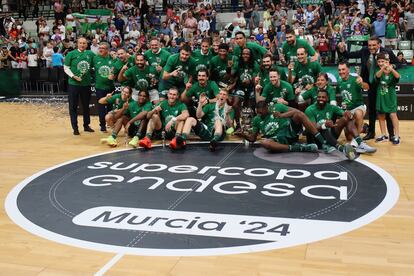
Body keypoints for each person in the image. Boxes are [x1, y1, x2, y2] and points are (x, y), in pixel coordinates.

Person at [338, 36, 400, 140]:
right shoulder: (364, 51)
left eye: (374, 45)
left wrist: (391, 67)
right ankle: (371, 132)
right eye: (369, 45)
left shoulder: (387, 51)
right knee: (372, 109)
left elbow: (399, 63)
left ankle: (392, 134)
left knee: (388, 110)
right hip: (370, 84)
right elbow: (348, 55)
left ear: (379, 44)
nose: (371, 47)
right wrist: (342, 50)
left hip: (384, 84)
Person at [238, 101, 335, 153]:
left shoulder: (278, 107)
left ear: (267, 108)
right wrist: (243, 135)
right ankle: (299, 148)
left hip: (289, 131)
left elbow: (297, 112)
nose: (259, 114)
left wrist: (281, 115)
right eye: (258, 112)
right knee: (265, 143)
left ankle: (324, 143)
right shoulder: (256, 119)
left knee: (299, 115)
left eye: (261, 112)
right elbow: (253, 138)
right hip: (277, 140)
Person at [305, 90, 375, 157]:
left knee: (346, 118)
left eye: (323, 97)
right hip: (316, 139)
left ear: (327, 98)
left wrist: (348, 113)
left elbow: (345, 114)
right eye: (319, 97)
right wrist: (324, 125)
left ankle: (359, 143)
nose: (321, 99)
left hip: (330, 136)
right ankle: (341, 148)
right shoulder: (310, 109)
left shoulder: (331, 107)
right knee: (324, 129)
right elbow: (312, 128)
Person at [64, 37, 96, 135]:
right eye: (80, 43)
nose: (82, 45)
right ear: (77, 44)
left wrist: (92, 70)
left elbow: (95, 65)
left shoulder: (90, 54)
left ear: (87, 44)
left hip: (86, 85)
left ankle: (86, 125)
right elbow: (66, 68)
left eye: (84, 43)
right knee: (73, 107)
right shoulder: (71, 54)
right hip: (73, 85)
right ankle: (75, 128)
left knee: (86, 106)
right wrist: (74, 76)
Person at [336, 62, 369, 137]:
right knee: (349, 137)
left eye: (343, 69)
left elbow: (367, 87)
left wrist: (361, 83)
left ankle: (358, 140)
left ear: (348, 70)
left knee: (358, 114)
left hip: (358, 107)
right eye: (339, 70)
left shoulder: (355, 79)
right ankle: (363, 128)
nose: (341, 72)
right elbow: (334, 91)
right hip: (347, 111)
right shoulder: (339, 81)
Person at [375, 53, 401, 144]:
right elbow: (377, 76)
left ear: (388, 61)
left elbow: (398, 77)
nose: (381, 63)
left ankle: (397, 136)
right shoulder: (378, 71)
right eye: (379, 62)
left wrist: (392, 69)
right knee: (381, 115)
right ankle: (383, 135)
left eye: (383, 61)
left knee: (393, 115)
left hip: (390, 97)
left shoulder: (392, 72)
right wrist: (382, 68)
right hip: (381, 97)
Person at [93, 42, 116, 132]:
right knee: (101, 107)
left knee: (110, 107)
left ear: (107, 50)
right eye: (100, 48)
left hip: (110, 87)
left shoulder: (113, 59)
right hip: (99, 87)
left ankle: (109, 123)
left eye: (103, 48)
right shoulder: (95, 58)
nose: (101, 50)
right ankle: (102, 125)